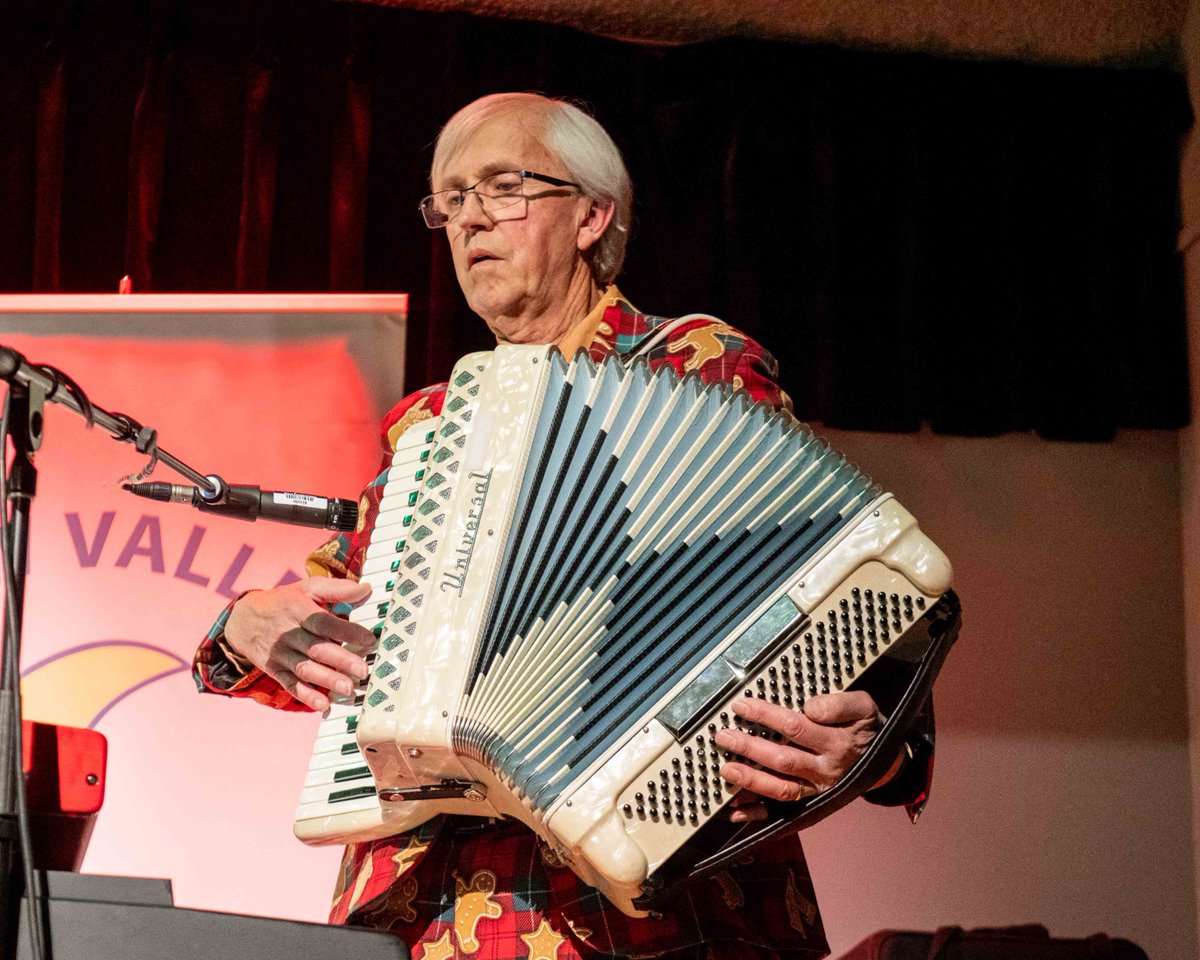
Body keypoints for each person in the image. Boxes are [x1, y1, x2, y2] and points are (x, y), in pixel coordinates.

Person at [193, 92, 934, 960]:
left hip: (655, 921)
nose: (469, 220)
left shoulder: (698, 367)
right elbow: (339, 616)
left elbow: (820, 584)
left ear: (592, 214)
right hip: (431, 919)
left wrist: (884, 745)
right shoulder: (427, 425)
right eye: (451, 200)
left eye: (502, 187)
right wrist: (247, 623)